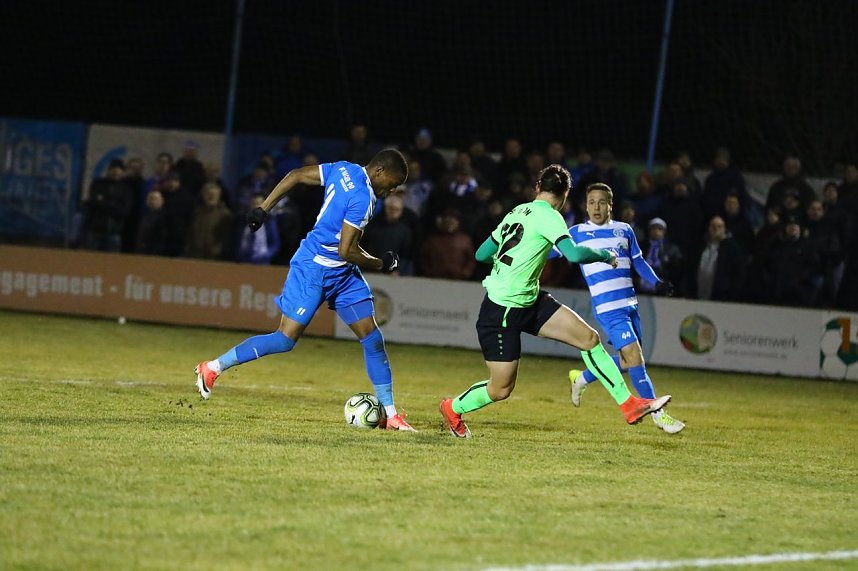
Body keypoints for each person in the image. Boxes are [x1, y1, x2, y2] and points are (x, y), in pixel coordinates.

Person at [438, 165, 671, 439]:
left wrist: (508, 263)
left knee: (589, 339)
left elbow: (481, 254)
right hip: (501, 311)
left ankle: (629, 404)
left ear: (537, 188)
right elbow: (572, 254)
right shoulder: (551, 217)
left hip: (529, 299)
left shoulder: (516, 212)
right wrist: (604, 256)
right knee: (500, 389)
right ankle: (452, 407)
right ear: (565, 194)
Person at [194, 149, 416, 431]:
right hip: (313, 269)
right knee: (285, 339)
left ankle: (391, 415)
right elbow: (346, 249)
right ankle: (212, 368)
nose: (391, 191)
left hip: (342, 274)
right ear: (380, 172)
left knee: (372, 338)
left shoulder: (344, 169)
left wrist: (264, 208)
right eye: (392, 184)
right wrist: (381, 263)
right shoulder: (362, 198)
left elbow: (296, 175)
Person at [565, 183, 685, 434]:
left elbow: (638, 261)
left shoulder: (624, 230)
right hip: (608, 308)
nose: (596, 207)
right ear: (585, 206)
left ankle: (581, 378)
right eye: (591, 202)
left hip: (630, 304)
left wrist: (657, 282)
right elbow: (548, 253)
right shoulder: (575, 233)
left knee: (626, 361)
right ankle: (658, 415)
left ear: (611, 205)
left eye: (601, 202)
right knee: (636, 358)